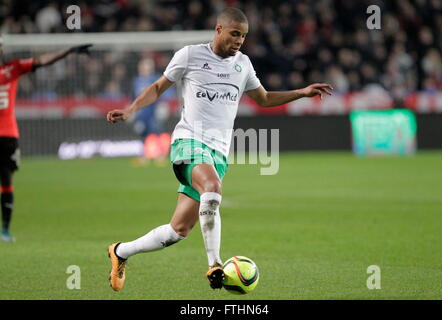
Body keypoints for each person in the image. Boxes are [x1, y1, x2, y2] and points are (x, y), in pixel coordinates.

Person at [106, 7, 333, 291]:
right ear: (219, 30)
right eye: (235, 34)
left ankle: (120, 251)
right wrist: (131, 110)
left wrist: (300, 92)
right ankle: (215, 263)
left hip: (218, 154)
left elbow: (263, 99)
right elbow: (158, 86)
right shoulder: (190, 55)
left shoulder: (244, 65)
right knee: (212, 186)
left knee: (178, 230)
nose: (239, 40)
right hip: (188, 142)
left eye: (244, 36)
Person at [0, 41, 92, 242]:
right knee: (6, 181)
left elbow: (41, 61)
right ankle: (5, 231)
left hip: (8, 135)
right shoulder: (12, 68)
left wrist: (67, 50)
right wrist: (68, 50)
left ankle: (5, 230)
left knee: (6, 181)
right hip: (8, 135)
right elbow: (42, 61)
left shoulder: (12, 67)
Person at [130, 57, 174, 167]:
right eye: (143, 66)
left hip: (153, 110)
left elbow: (164, 93)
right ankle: (143, 156)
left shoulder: (155, 78)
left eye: (147, 65)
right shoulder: (136, 81)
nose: (144, 68)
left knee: (157, 132)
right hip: (141, 112)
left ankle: (160, 156)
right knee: (142, 134)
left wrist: (162, 106)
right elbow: (133, 97)